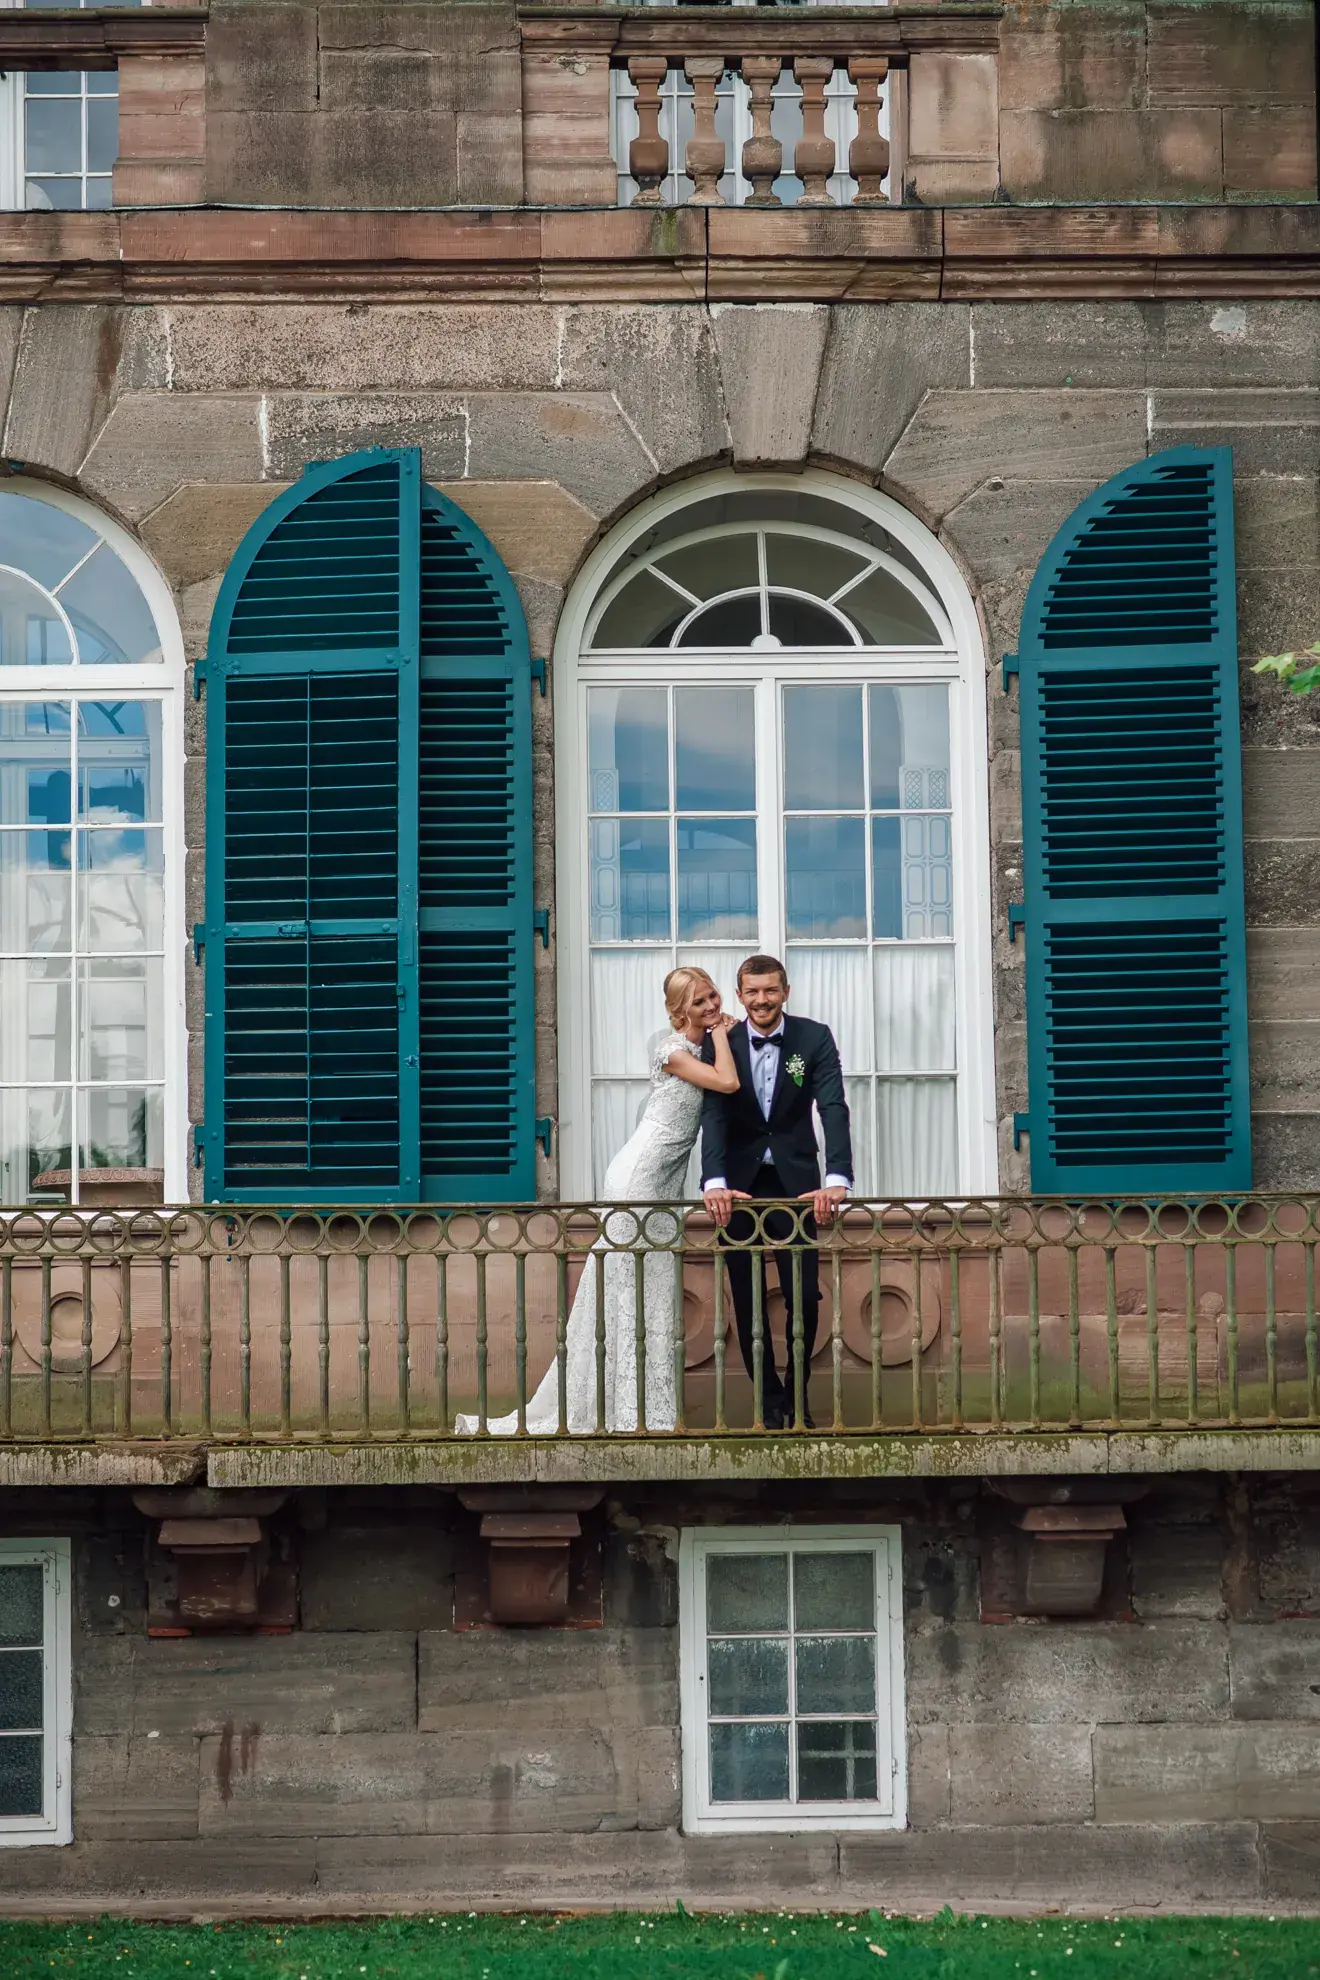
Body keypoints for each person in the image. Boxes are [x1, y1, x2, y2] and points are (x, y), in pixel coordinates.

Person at [459, 966, 739, 1434]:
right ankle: (626, 1411)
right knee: (627, 1289)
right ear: (678, 1011)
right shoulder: (671, 1051)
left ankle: (647, 1407)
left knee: (654, 1291)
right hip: (638, 1177)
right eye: (699, 1002)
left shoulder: (700, 1048)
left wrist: (718, 1035)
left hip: (665, 1184)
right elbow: (727, 1082)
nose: (711, 1006)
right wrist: (723, 1034)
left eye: (712, 996)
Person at [700, 954, 853, 1430]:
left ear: (785, 991)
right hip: (738, 1188)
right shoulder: (721, 1043)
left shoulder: (814, 1037)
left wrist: (836, 1178)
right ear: (740, 995)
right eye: (752, 991)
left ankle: (797, 1397)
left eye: (770, 990)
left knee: (803, 1296)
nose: (762, 1000)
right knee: (747, 1299)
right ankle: (768, 1402)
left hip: (797, 1185)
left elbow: (832, 1107)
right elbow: (713, 1113)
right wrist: (714, 1181)